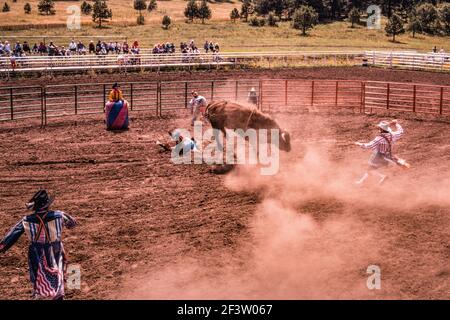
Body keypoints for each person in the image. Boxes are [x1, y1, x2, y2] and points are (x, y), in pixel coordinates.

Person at [0, 190, 76, 300]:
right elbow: (72, 224)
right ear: (48, 204)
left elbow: (11, 236)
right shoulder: (60, 215)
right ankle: (59, 294)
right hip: (55, 248)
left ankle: (40, 293)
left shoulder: (26, 220)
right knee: (59, 270)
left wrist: (2, 246)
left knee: (38, 276)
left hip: (36, 251)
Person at [355, 119, 409, 185]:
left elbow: (370, 145)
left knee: (370, 169)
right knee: (371, 168)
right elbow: (401, 132)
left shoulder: (380, 138)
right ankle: (361, 182)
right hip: (388, 156)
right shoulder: (392, 135)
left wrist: (359, 144)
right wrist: (396, 124)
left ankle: (382, 176)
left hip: (379, 156)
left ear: (381, 129)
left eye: (379, 128)